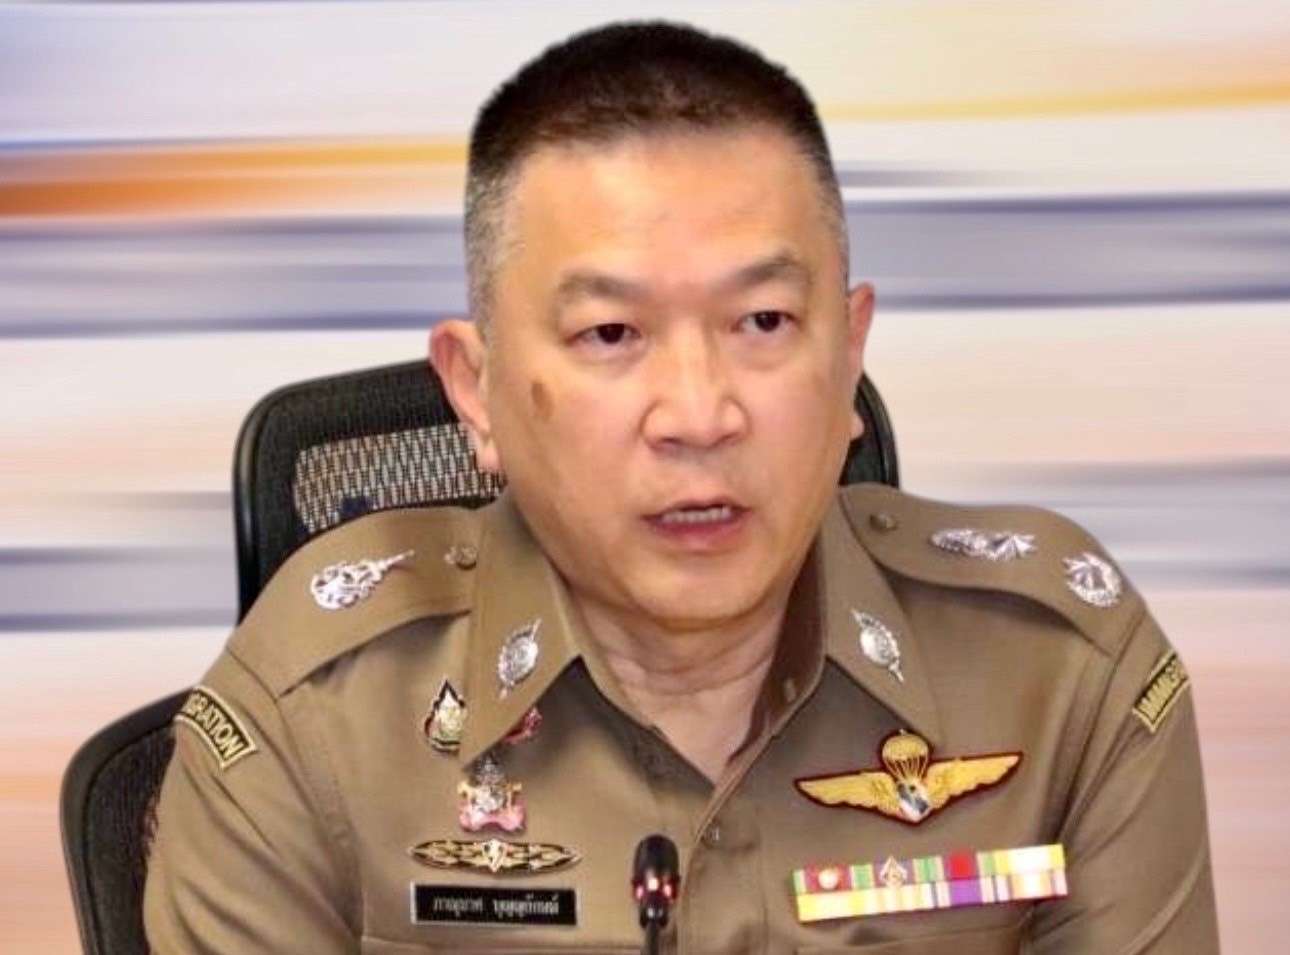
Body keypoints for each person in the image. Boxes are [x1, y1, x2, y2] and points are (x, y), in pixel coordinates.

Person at [144, 20, 1219, 954]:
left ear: (849, 354)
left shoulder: (1059, 673)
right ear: (476, 390)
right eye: (612, 333)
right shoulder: (316, 716)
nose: (700, 414)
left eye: (763, 322)